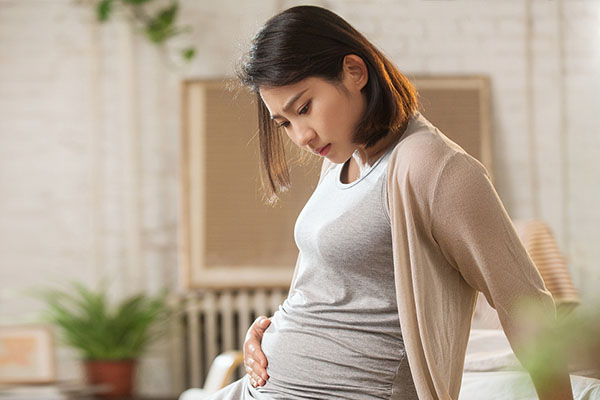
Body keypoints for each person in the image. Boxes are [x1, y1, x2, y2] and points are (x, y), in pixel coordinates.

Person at [209, 5, 574, 400]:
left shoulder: (432, 166)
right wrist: (269, 330)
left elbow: (526, 307)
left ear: (355, 71)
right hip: (262, 387)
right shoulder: (341, 159)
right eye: (284, 123)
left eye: (303, 108)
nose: (300, 136)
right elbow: (335, 287)